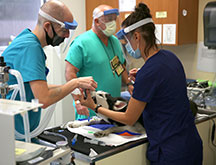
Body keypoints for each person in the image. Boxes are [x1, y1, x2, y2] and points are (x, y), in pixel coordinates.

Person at [79, 3, 203, 165]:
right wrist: (142, 81)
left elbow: (129, 118)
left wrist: (95, 107)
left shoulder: (149, 72)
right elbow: (162, 92)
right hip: (190, 145)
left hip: (170, 153)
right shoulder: (170, 58)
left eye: (127, 41)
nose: (127, 46)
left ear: (136, 36)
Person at [0, 0, 97, 137]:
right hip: (15, 133)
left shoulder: (26, 39)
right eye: (64, 30)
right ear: (47, 26)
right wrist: (75, 82)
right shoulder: (31, 48)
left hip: (21, 129)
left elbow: (37, 87)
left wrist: (72, 87)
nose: (67, 35)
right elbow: (44, 99)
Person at [65, 5, 133, 120]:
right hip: (90, 110)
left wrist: (128, 83)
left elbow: (119, 66)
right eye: (109, 19)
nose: (113, 23)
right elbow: (70, 73)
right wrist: (77, 100)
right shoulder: (81, 43)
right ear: (96, 21)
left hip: (113, 109)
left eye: (114, 19)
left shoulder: (115, 41)